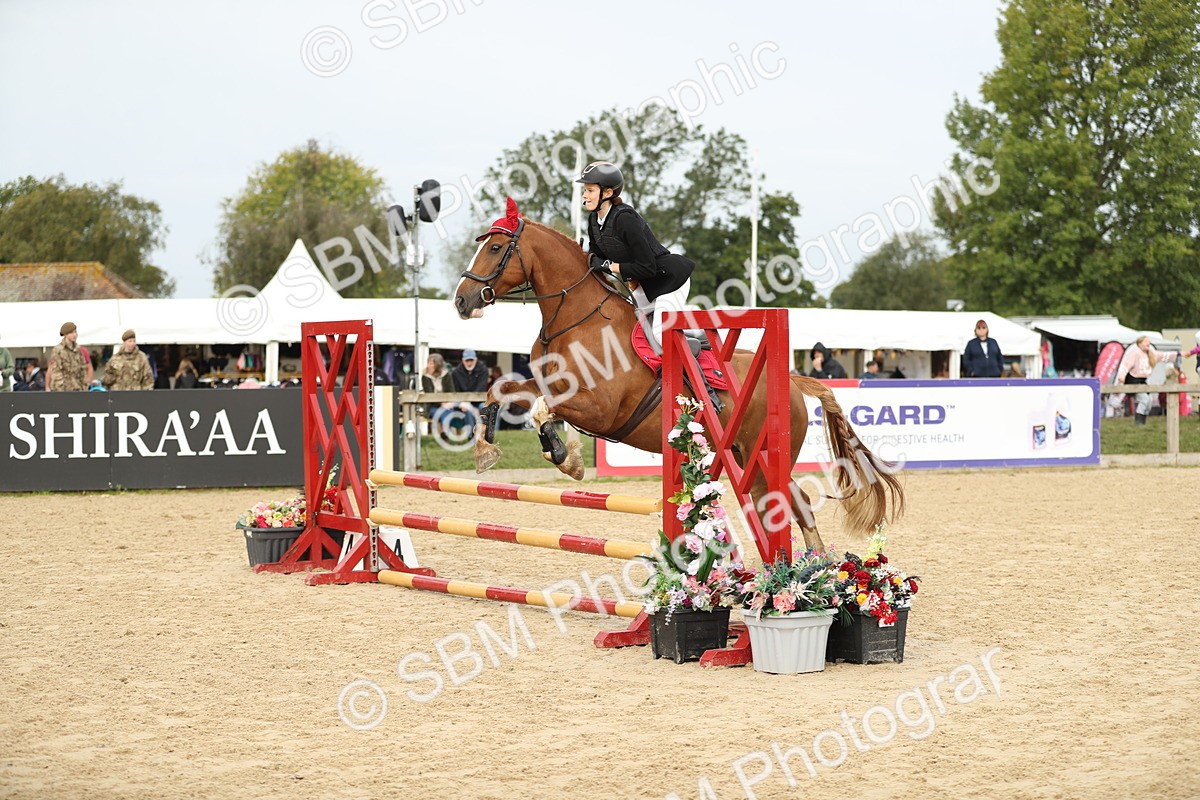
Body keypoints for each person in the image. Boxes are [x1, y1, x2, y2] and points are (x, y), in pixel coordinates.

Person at [577, 161, 694, 352]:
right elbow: (595, 257)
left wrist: (610, 266)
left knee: (659, 335)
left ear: (607, 193)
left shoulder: (625, 219)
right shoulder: (594, 220)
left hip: (670, 280)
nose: (584, 195)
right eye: (585, 190)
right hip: (645, 285)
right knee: (630, 331)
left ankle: (701, 377)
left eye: (589, 190)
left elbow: (647, 267)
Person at [1116, 334, 1168, 425]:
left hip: (1142, 381)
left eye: (1148, 341)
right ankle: (1138, 422)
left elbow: (1163, 355)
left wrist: (1179, 354)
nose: (1148, 343)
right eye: (1145, 341)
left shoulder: (1150, 353)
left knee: (1150, 400)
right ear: (1140, 343)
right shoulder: (1134, 353)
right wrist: (1121, 376)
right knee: (1144, 399)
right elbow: (1125, 365)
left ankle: (1143, 419)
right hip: (1133, 381)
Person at [450, 350, 489, 428]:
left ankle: (487, 435)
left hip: (479, 401)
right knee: (467, 408)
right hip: (462, 402)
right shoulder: (456, 372)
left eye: (471, 360)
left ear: (476, 360)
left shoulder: (483, 370)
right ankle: (471, 436)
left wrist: (471, 404)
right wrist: (463, 403)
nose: (469, 363)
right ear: (463, 360)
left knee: (486, 408)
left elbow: (481, 388)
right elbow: (456, 391)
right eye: (467, 360)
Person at [46, 321, 89, 391]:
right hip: (62, 389)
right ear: (65, 334)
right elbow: (55, 370)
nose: (74, 335)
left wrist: (85, 385)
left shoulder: (78, 349)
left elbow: (83, 369)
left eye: (75, 332)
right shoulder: (58, 350)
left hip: (77, 388)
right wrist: (59, 387)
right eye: (71, 333)